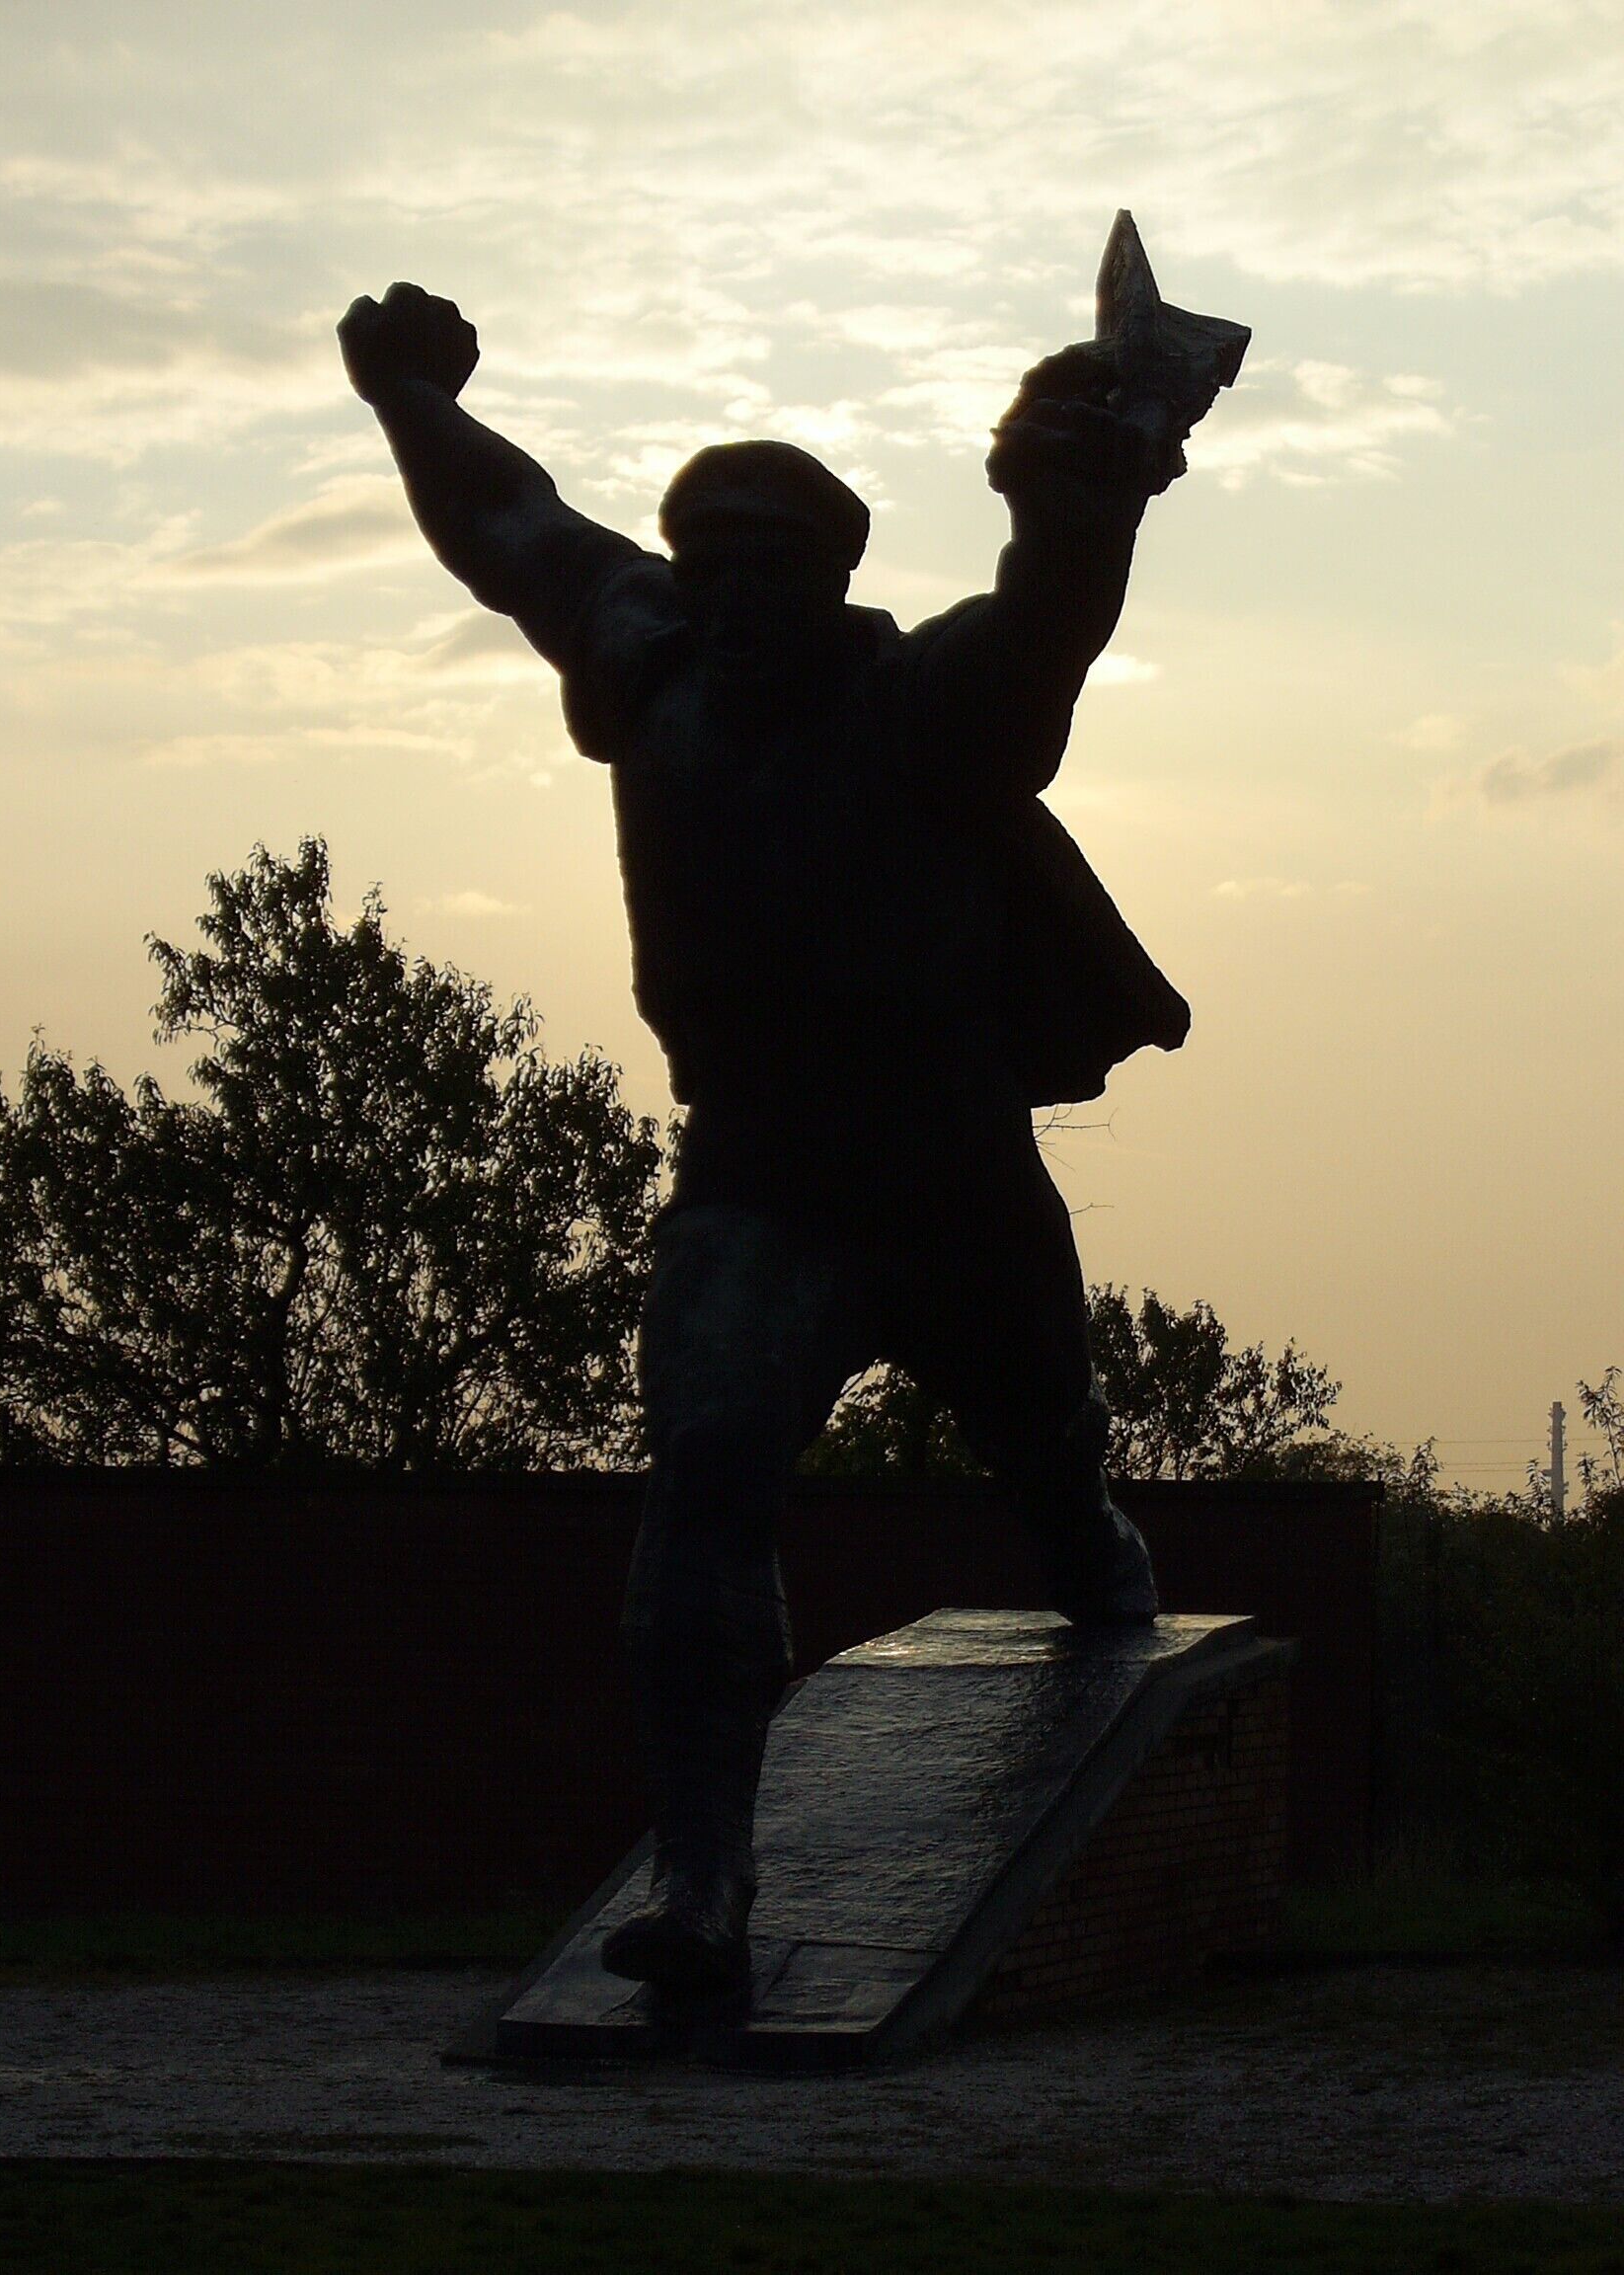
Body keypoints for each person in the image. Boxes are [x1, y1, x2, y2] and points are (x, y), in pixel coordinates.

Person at [340, 282, 1189, 1997]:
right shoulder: (650, 668)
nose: (727, 586)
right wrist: (412, 399)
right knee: (710, 1479)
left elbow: (1053, 611)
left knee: (1057, 1479)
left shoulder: (934, 702)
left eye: (766, 559)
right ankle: (709, 1890)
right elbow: (512, 530)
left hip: (949, 1173)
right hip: (759, 1175)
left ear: (839, 577)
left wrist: (1078, 484)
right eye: (702, 551)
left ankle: (1104, 1573)